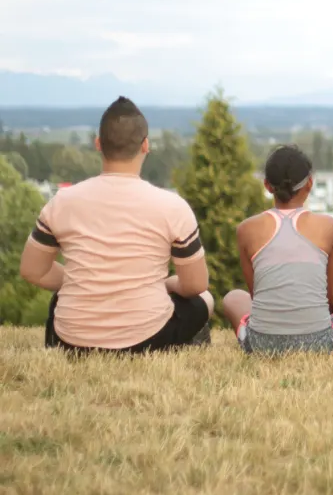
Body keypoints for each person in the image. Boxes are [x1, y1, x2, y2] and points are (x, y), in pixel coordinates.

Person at [19, 96, 214, 353]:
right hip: (146, 337)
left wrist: (85, 281)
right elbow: (195, 285)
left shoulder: (61, 202)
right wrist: (162, 284)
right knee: (205, 300)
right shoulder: (173, 206)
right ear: (145, 146)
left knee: (60, 298)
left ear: (98, 144)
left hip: (68, 339)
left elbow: (33, 271)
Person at [222, 145, 333, 353]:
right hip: (320, 343)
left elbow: (256, 296)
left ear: (267, 185)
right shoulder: (330, 227)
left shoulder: (246, 229)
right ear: (310, 182)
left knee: (233, 297)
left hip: (259, 344)